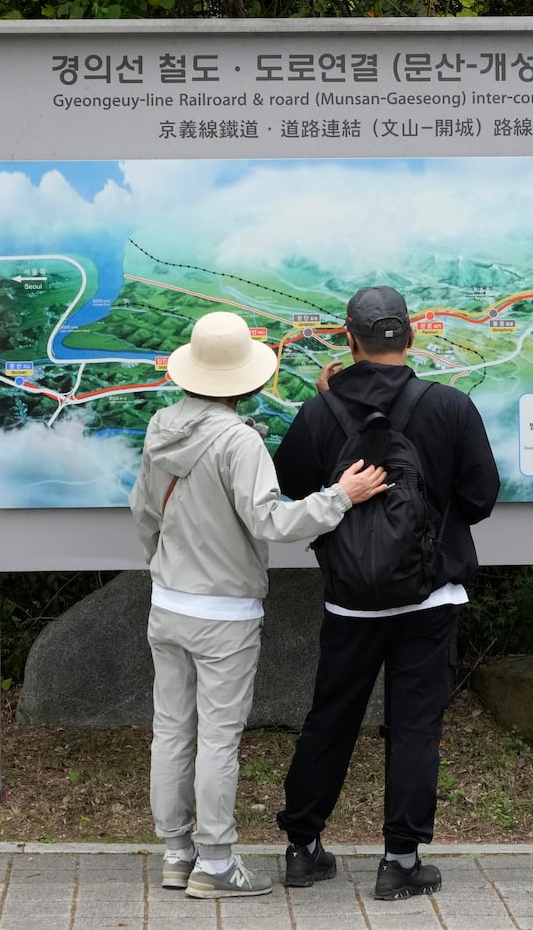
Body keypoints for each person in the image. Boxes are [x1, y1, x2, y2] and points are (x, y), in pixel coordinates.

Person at [129, 311, 387, 899]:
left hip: (167, 603)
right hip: (223, 613)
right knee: (218, 738)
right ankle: (216, 866)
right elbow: (270, 520)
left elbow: (144, 514)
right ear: (243, 378)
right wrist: (339, 497)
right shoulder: (238, 440)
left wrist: (166, 570)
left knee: (171, 731)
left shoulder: (161, 426)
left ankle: (177, 854)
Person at [272, 285, 500, 901]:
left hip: (350, 599)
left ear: (350, 338)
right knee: (416, 726)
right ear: (412, 336)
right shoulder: (450, 406)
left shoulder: (322, 411)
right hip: (430, 599)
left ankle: (303, 848)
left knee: (332, 717)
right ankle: (400, 862)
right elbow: (480, 498)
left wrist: (329, 415)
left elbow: (291, 484)